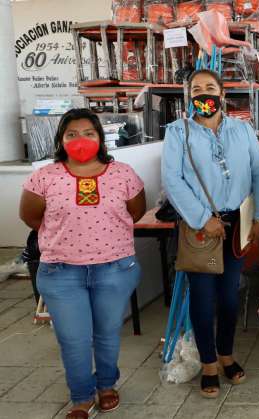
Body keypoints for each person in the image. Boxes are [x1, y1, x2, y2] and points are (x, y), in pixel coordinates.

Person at [18, 108, 146, 419]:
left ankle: (106, 385)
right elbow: (31, 217)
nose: (80, 139)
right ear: (61, 140)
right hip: (62, 272)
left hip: (114, 268)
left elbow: (136, 212)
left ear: (100, 138)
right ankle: (81, 396)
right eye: (72, 134)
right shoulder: (44, 177)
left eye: (88, 133)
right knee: (73, 339)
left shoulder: (123, 173)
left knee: (107, 333)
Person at [161, 69, 259, 398]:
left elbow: (258, 174)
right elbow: (172, 180)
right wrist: (200, 218)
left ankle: (226, 354)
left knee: (228, 296)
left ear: (222, 94)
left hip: (237, 225)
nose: (203, 93)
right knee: (203, 297)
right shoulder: (178, 133)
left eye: (210, 87)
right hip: (201, 230)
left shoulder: (243, 130)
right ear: (189, 96)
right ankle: (208, 363)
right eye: (197, 89)